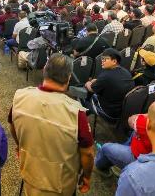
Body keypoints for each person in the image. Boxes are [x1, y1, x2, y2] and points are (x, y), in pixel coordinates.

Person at [9, 53, 94, 195]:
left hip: (30, 174)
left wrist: (19, 146)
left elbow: (13, 126)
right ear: (69, 78)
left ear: (44, 70)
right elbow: (88, 153)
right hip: (61, 185)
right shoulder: (77, 113)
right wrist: (87, 177)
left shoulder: (19, 97)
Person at [85, 48, 134, 121]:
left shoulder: (105, 76)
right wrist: (98, 81)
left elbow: (91, 89)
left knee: (85, 97)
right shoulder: (126, 72)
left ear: (114, 61)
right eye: (102, 59)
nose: (102, 61)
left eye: (105, 59)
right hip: (121, 112)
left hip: (109, 113)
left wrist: (88, 83)